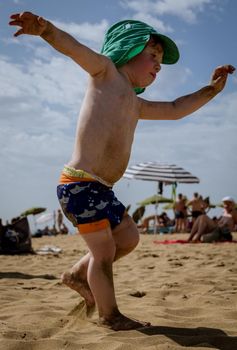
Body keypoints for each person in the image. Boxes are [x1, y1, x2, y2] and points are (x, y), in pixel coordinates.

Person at [9, 11, 235, 330]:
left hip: (102, 188)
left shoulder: (136, 103)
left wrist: (210, 91)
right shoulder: (104, 73)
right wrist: (45, 30)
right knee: (103, 252)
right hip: (80, 184)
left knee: (128, 238)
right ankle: (109, 316)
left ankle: (76, 275)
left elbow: (174, 110)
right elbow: (75, 48)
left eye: (160, 60)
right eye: (153, 56)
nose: (158, 65)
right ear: (129, 49)